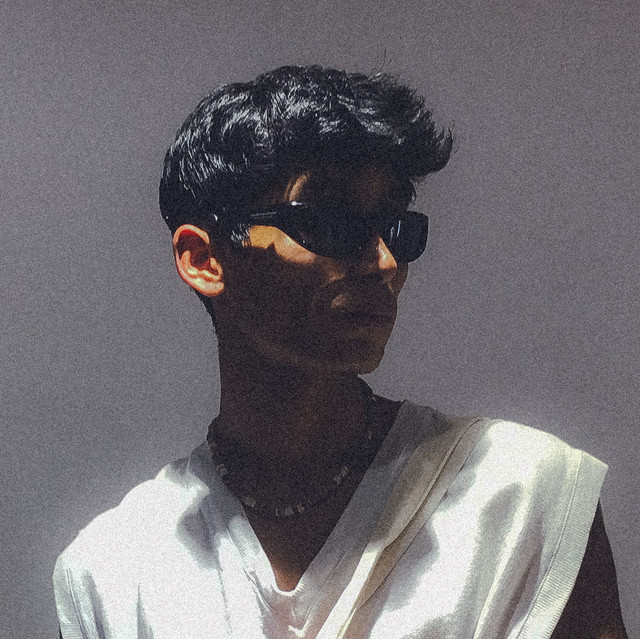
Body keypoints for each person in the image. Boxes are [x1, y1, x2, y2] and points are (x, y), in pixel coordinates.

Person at [53, 65, 628, 638]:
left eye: (397, 229)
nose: (385, 263)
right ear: (204, 260)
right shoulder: (114, 572)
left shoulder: (519, 496)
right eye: (329, 222)